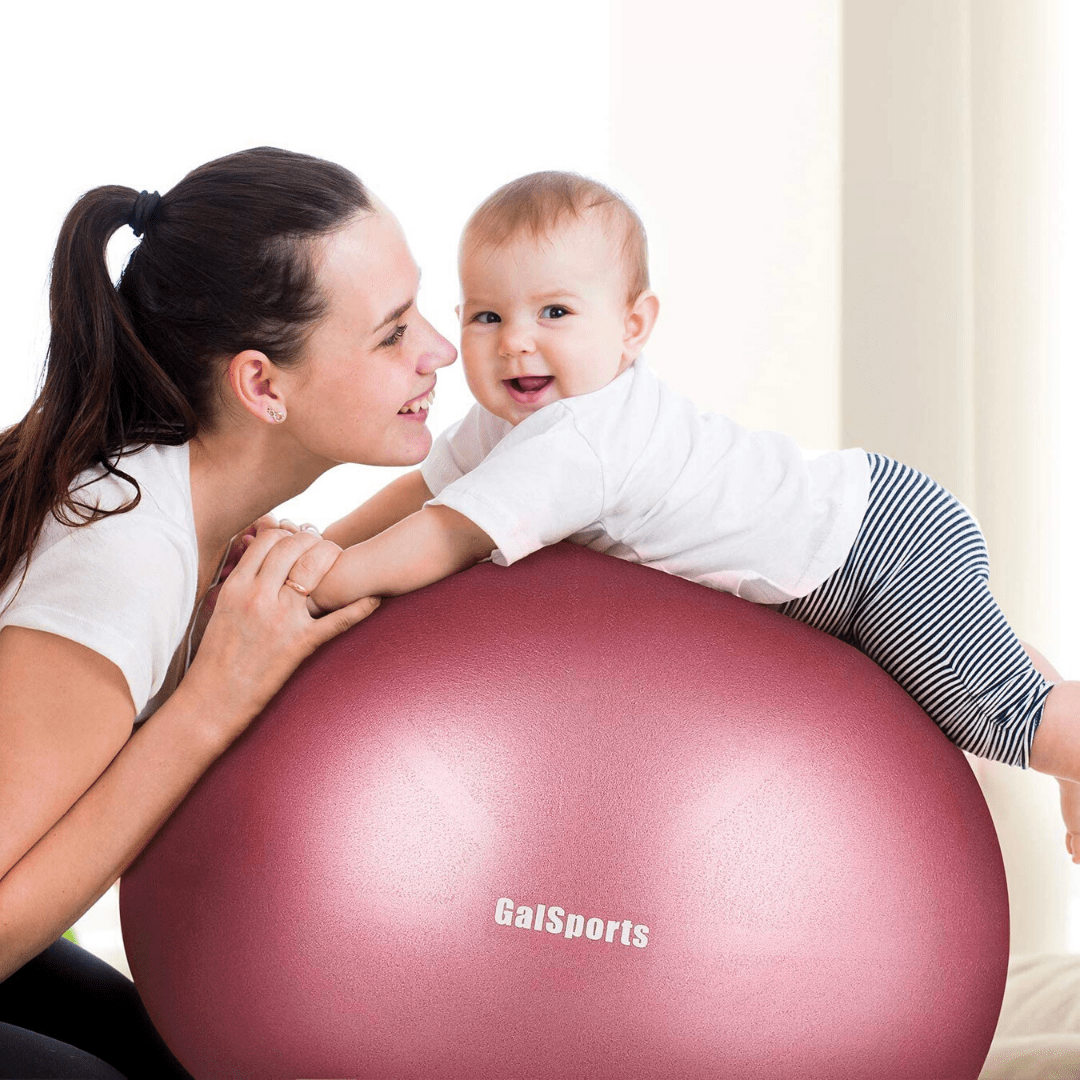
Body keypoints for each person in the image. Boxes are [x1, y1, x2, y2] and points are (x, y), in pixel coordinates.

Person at [304, 169, 1080, 856]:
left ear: (633, 327)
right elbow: (425, 491)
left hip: (867, 556)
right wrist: (322, 540)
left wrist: (321, 584)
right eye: (488, 318)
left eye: (555, 313)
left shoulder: (580, 440)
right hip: (866, 513)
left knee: (995, 714)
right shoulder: (517, 422)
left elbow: (442, 537)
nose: (517, 345)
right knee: (1003, 676)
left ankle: (1069, 747)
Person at [0, 146, 456, 1079]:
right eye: (392, 333)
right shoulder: (124, 554)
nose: (440, 351)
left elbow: (393, 532)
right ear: (262, 386)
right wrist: (214, 702)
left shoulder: (179, 509)